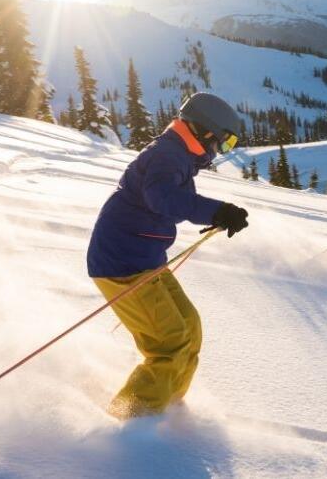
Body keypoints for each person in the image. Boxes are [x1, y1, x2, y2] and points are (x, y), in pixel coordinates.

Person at [87, 92, 249, 420]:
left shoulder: (179, 156)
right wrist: (217, 211)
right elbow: (164, 198)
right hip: (121, 264)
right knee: (169, 343)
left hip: (142, 261)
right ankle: (132, 418)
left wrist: (216, 213)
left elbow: (167, 201)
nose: (222, 151)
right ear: (205, 131)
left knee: (189, 326)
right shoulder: (168, 156)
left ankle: (167, 401)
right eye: (225, 143)